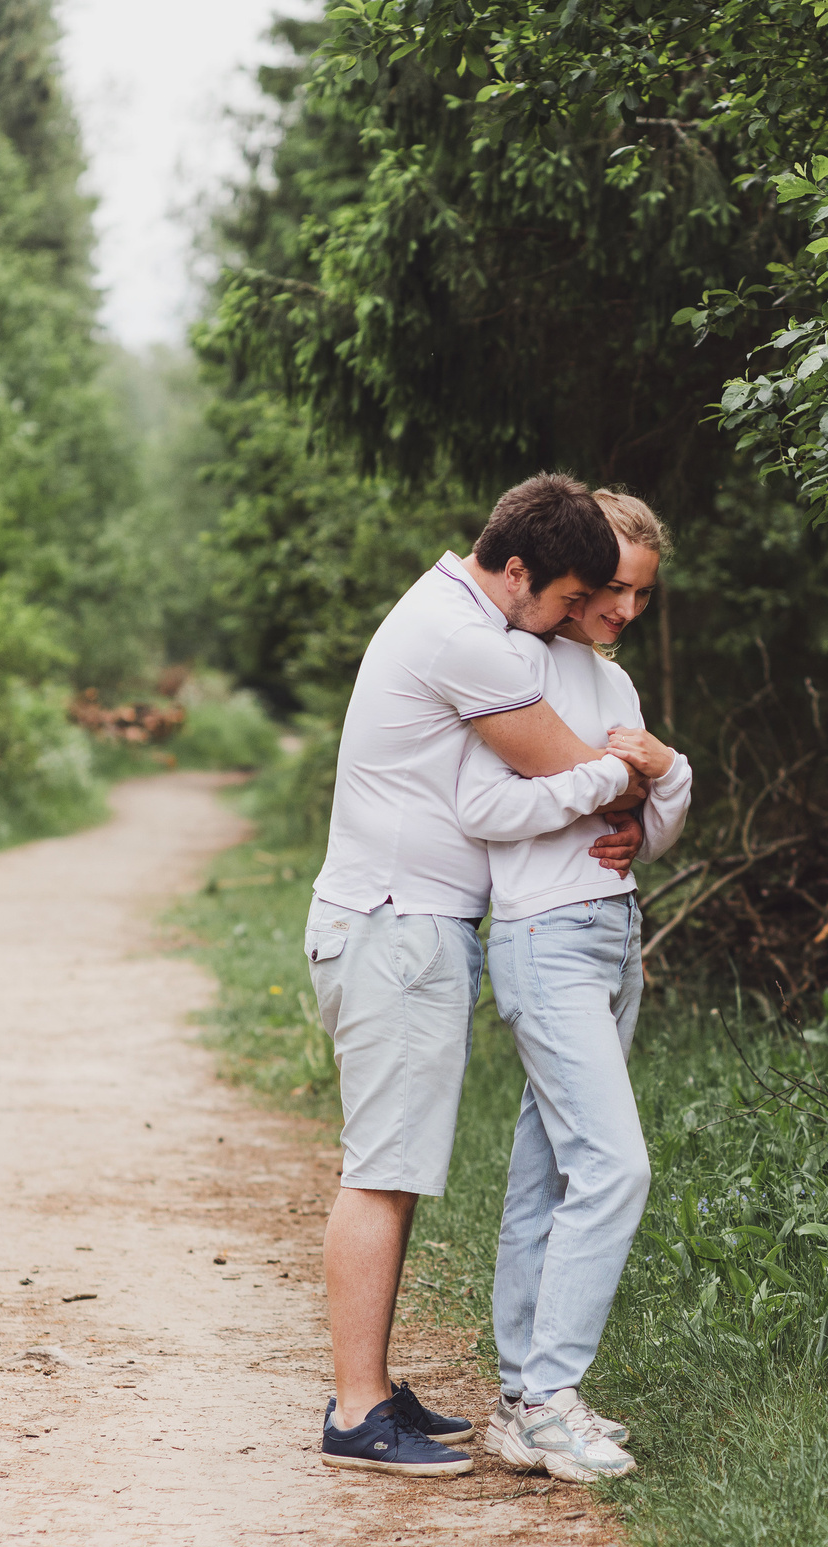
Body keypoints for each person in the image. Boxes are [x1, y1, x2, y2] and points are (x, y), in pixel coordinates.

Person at [308, 472, 652, 1477]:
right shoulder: (466, 638)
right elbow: (556, 767)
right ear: (515, 573)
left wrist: (623, 776)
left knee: (398, 1161)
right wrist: (633, 771)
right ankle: (355, 1409)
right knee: (382, 1165)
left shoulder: (446, 611)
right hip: (394, 924)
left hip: (402, 924)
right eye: (560, 601)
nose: (565, 622)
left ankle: (368, 1388)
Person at [457, 491, 689, 1483]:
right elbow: (481, 808)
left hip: (612, 934)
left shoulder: (615, 681)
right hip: (545, 938)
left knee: (549, 1169)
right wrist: (603, 780)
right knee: (615, 1166)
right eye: (609, 588)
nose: (621, 608)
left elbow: (654, 830)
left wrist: (659, 785)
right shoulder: (516, 662)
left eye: (639, 594)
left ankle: (519, 1398)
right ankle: (552, 1400)